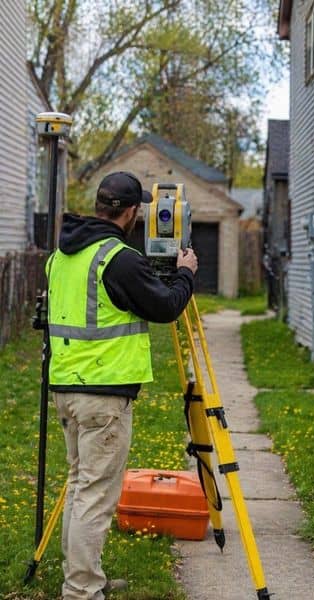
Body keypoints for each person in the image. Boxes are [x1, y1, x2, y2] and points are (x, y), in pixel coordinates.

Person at [46, 171, 198, 600]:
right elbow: (165, 305)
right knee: (94, 496)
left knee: (80, 487)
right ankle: (80, 590)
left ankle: (83, 577)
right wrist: (184, 273)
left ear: (99, 205)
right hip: (104, 395)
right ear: (132, 212)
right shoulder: (118, 258)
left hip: (67, 388)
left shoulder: (63, 255)